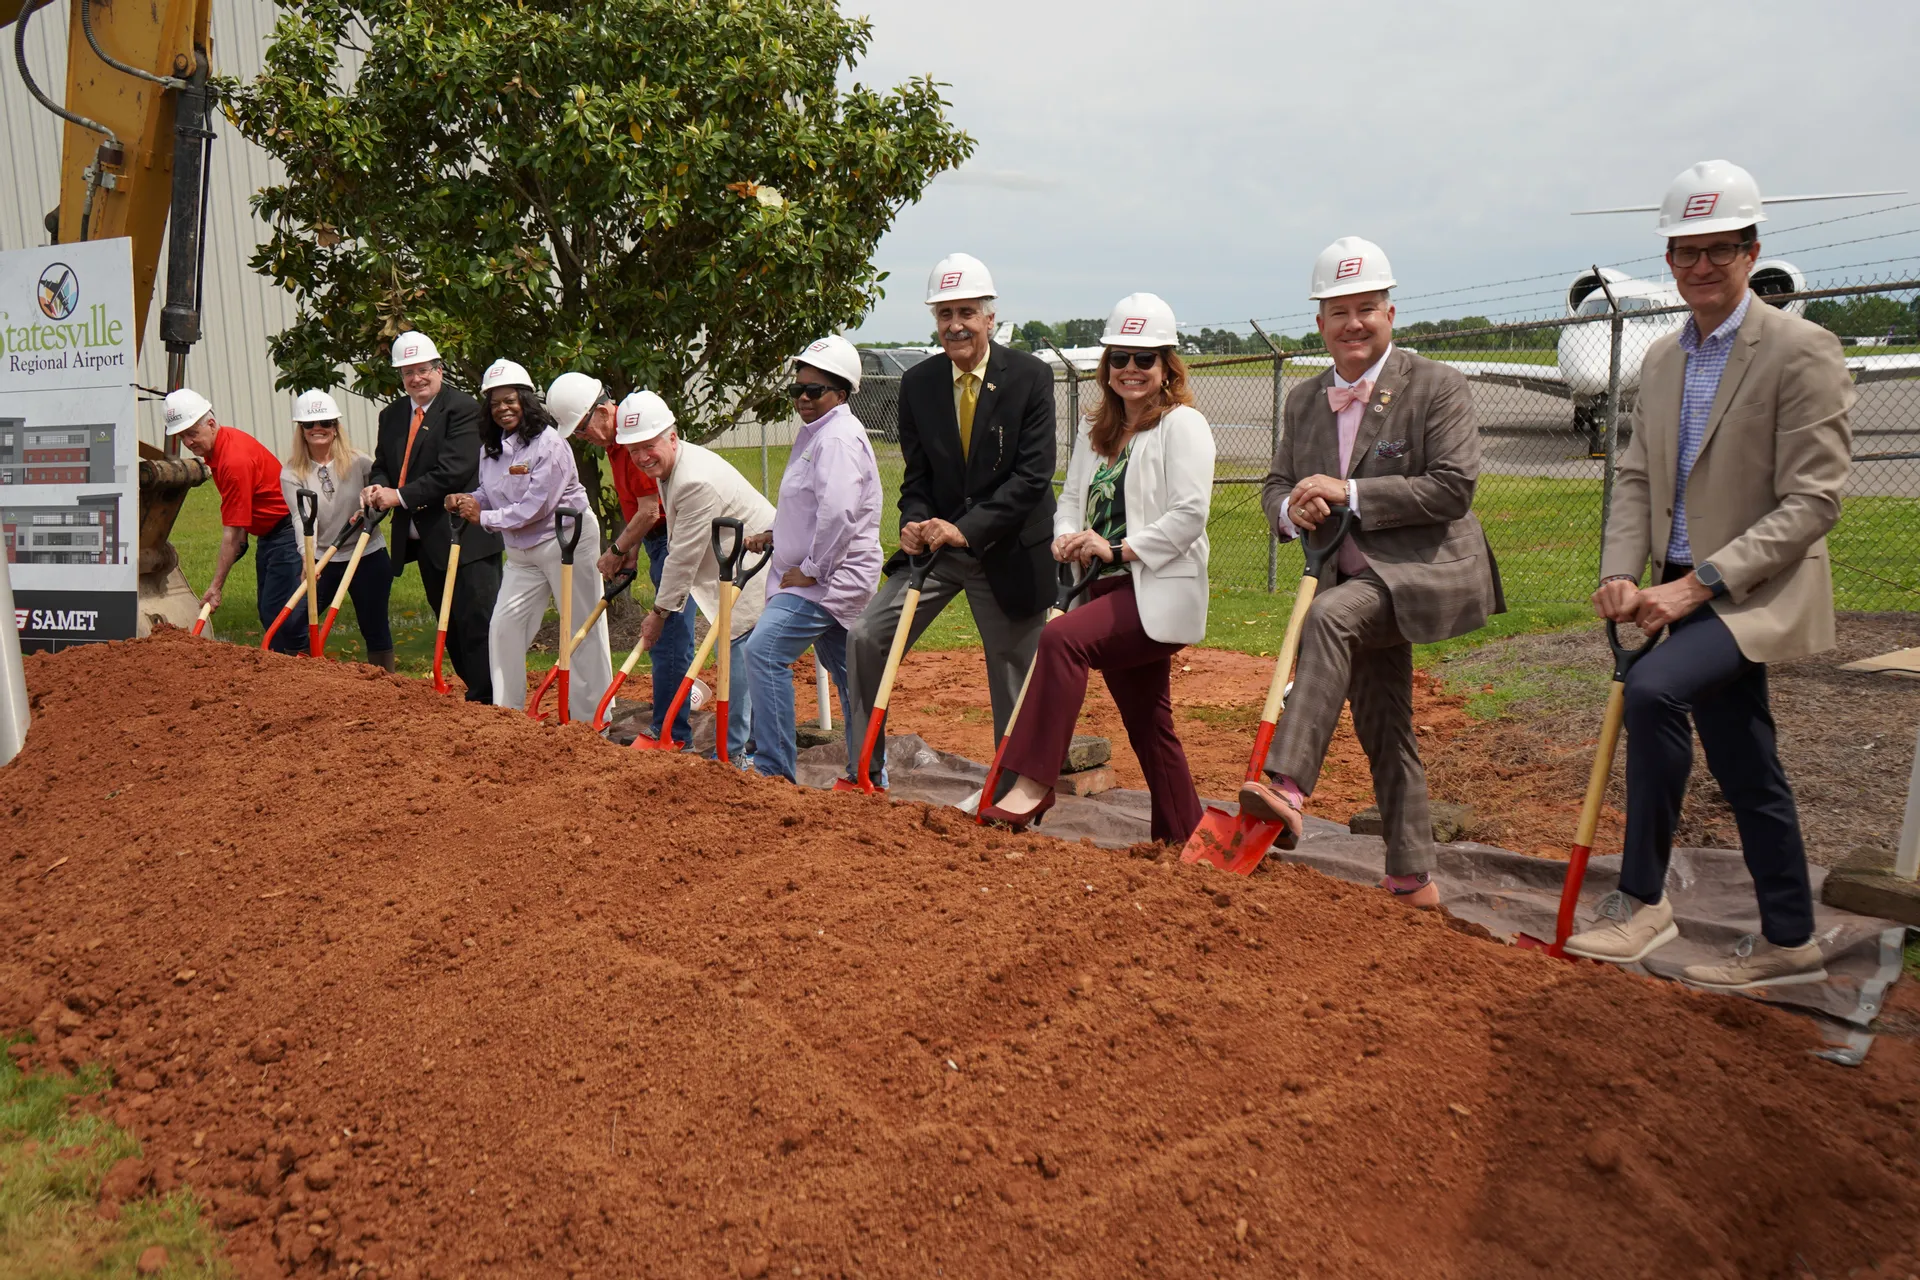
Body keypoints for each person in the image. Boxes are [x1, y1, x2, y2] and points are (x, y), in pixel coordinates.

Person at [1564, 161, 1854, 988]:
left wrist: (1697, 587)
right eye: (1685, 251)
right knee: (1745, 759)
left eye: (1719, 250)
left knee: (1655, 692)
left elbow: (1813, 502)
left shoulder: (1801, 350)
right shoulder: (1660, 360)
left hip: (1754, 589)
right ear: (1669, 259)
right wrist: (1624, 576)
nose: (1700, 267)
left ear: (1752, 250)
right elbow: (1635, 478)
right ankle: (1791, 940)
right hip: (1674, 581)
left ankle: (1644, 902)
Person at [1239, 237, 1504, 907]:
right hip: (1346, 574)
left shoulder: (1435, 386)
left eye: (1366, 309)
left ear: (1391, 312)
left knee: (1330, 618)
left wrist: (1349, 493)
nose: (1353, 324)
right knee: (1384, 721)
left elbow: (1453, 488)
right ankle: (1412, 876)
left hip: (1421, 572)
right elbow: (1275, 483)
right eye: (1338, 311)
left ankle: (1288, 786)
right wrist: (1289, 511)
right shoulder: (1305, 401)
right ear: (1320, 322)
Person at [979, 295, 1213, 842]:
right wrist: (1066, 538)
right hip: (1102, 589)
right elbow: (1069, 501)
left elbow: (1190, 515)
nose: (1130, 369)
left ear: (1167, 367)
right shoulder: (1098, 432)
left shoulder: (1184, 426)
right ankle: (1185, 836)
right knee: (1149, 724)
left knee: (1061, 640)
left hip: (1154, 589)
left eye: (1144, 358)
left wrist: (1119, 548)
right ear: (1106, 366)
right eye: (1119, 358)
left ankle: (1035, 782)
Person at [845, 253, 1058, 786]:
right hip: (939, 550)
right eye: (945, 314)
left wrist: (967, 528)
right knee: (868, 636)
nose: (955, 325)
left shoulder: (1030, 378)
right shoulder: (918, 384)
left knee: (1014, 676)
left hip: (1007, 549)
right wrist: (915, 522)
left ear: (990, 318)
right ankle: (864, 770)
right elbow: (917, 477)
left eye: (967, 312)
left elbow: (1032, 479)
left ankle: (1012, 797)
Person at [742, 336, 884, 783]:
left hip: (826, 581)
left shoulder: (837, 438)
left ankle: (773, 769)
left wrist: (813, 570)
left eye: (814, 390)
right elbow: (809, 506)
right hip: (822, 578)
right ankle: (867, 778)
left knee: (763, 652)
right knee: (853, 680)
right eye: (797, 389)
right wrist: (774, 535)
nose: (803, 398)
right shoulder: (822, 434)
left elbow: (839, 512)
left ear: (841, 394)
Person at [444, 360, 612, 720]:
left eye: (510, 400)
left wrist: (484, 518)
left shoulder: (549, 444)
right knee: (504, 626)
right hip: (521, 552)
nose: (503, 408)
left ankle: (593, 717)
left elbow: (537, 506)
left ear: (525, 400)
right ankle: (508, 714)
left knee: (582, 626)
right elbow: (493, 492)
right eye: (495, 402)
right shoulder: (492, 447)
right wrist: (470, 500)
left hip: (567, 541)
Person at [616, 389, 774, 762]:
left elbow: (683, 556)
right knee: (737, 656)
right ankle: (738, 746)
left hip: (753, 565)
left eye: (648, 445)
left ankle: (738, 752)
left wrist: (658, 613)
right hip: (730, 566)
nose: (640, 457)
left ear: (672, 436)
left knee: (739, 659)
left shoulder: (693, 481)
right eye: (633, 449)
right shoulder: (671, 466)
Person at [549, 372, 697, 746]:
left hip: (677, 540)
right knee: (667, 642)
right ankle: (670, 725)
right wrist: (630, 556)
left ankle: (672, 734)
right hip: (659, 541)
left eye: (582, 429)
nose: (582, 438)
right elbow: (639, 511)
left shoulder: (634, 443)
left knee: (670, 640)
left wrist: (615, 551)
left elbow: (650, 511)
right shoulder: (616, 447)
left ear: (601, 411)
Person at [361, 330, 502, 702]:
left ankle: (496, 699)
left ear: (439, 369)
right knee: (448, 623)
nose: (416, 379)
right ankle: (477, 692)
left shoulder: (463, 409)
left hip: (464, 535)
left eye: (423, 369)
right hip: (424, 541)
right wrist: (377, 488)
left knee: (478, 622)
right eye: (407, 372)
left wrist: (399, 496)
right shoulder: (391, 415)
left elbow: (452, 471)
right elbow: (383, 465)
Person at [166, 389, 300, 654]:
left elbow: (233, 535)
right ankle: (286, 671)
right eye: (182, 436)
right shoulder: (220, 446)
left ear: (211, 424)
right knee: (270, 608)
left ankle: (302, 673)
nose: (188, 442)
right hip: (270, 533)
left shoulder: (233, 460)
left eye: (192, 433)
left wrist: (215, 588)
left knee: (281, 613)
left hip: (288, 532)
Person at [278, 390, 394, 671]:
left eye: (326, 423)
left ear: (335, 428)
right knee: (303, 622)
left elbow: (379, 499)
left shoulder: (360, 462)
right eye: (310, 424)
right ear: (301, 430)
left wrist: (371, 508)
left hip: (366, 553)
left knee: (374, 623)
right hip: (323, 557)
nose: (318, 429)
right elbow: (302, 518)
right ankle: (307, 679)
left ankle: (388, 685)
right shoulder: (292, 473)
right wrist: (307, 558)